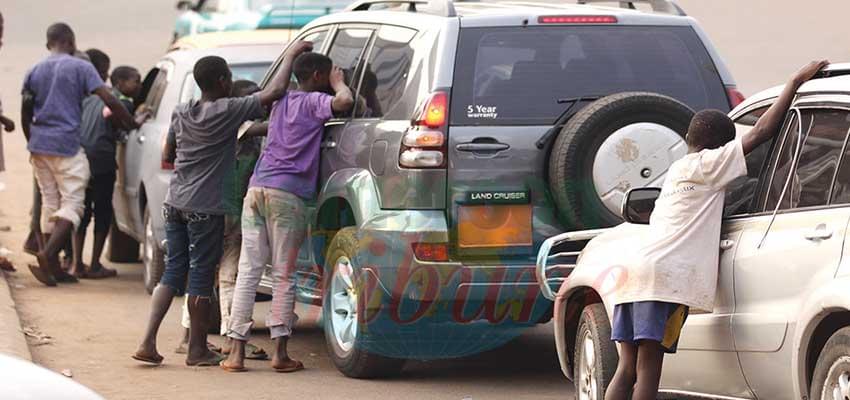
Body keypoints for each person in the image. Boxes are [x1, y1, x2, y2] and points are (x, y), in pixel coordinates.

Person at [603, 59, 830, 400]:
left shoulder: (680, 169)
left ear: (688, 138)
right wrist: (794, 82)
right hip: (664, 279)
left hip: (636, 275)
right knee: (650, 369)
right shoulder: (709, 165)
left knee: (627, 367)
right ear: (719, 147)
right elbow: (763, 132)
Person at [132, 41, 313, 367]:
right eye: (228, 77)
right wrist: (290, 55)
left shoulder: (182, 111)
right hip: (205, 207)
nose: (230, 82)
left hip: (175, 202)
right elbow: (273, 93)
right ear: (221, 82)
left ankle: (148, 341)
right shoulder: (229, 111)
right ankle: (197, 350)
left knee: (173, 272)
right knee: (201, 277)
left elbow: (170, 154)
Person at [221, 51, 354, 373]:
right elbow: (345, 103)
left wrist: (292, 55)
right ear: (320, 76)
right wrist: (340, 83)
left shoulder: (281, 101)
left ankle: (235, 353)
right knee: (284, 273)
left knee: (249, 271)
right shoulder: (312, 102)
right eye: (328, 75)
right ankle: (280, 354)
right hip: (287, 195)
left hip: (257, 190)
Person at [21, 23, 137, 287]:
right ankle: (47, 254)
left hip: (39, 145)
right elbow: (109, 99)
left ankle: (53, 268)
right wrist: (130, 122)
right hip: (67, 145)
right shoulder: (82, 67)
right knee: (74, 203)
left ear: (48, 43)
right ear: (71, 41)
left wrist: (33, 141)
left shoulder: (35, 69)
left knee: (52, 202)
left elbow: (26, 110)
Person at [173, 80, 269, 360]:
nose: (259, 104)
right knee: (225, 275)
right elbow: (265, 126)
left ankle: (190, 336)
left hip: (223, 209)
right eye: (252, 100)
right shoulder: (239, 126)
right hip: (222, 210)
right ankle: (228, 336)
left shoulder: (232, 124)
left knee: (208, 274)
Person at [71, 63, 143, 279]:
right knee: (102, 213)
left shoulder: (90, 98)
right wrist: (138, 121)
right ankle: (94, 265)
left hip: (82, 159)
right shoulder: (123, 103)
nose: (139, 85)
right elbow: (117, 122)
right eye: (136, 80)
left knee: (82, 213)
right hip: (102, 161)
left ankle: (76, 264)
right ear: (120, 83)